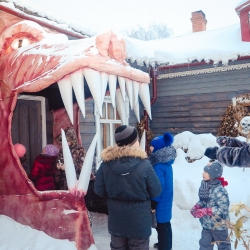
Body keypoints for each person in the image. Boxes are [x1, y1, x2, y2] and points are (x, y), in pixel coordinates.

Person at [94, 125, 162, 250]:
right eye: (136, 139)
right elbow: (156, 190)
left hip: (116, 220)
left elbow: (98, 190)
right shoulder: (144, 164)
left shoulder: (105, 165)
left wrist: (113, 197)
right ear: (132, 142)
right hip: (139, 221)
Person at [190, 161, 231, 250]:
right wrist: (198, 206)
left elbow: (223, 208)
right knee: (205, 245)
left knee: (224, 246)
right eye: (204, 171)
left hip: (219, 226)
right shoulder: (205, 186)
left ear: (213, 175)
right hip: (207, 225)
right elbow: (203, 200)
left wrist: (206, 211)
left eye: (206, 172)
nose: (203, 173)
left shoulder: (220, 190)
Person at [149, 132, 177, 250]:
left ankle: (164, 247)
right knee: (166, 224)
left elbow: (158, 186)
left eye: (152, 146)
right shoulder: (166, 164)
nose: (150, 148)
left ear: (158, 148)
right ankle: (166, 244)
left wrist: (154, 202)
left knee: (161, 226)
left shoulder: (158, 166)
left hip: (160, 201)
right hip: (166, 199)